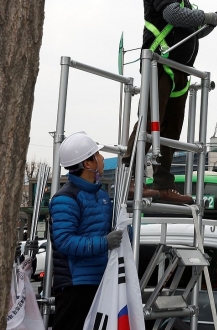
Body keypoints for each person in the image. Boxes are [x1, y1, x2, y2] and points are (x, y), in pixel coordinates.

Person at [123, 0, 217, 204]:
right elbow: (172, 15)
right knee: (150, 121)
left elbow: (194, 28)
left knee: (171, 129)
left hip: (178, 70)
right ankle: (131, 179)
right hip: (159, 64)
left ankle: (162, 185)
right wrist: (205, 16)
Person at [49, 132, 123, 330]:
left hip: (99, 281)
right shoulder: (65, 198)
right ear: (88, 164)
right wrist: (105, 243)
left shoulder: (101, 195)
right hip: (74, 285)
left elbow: (108, 230)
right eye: (97, 154)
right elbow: (64, 242)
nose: (101, 158)